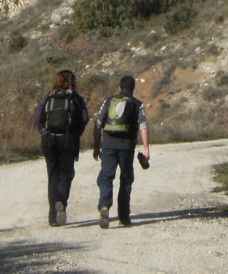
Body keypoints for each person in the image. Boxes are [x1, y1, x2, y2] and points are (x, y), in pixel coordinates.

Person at [33, 69, 89, 227]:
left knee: (53, 176)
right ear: (72, 82)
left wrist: (43, 132)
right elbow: (85, 118)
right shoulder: (75, 98)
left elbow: (37, 119)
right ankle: (61, 202)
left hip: (49, 139)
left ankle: (52, 217)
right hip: (67, 138)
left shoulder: (48, 96)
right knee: (66, 174)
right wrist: (75, 133)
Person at [92, 74, 150, 228]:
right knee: (125, 180)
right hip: (127, 147)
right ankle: (124, 217)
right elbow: (143, 126)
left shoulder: (109, 101)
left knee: (106, 176)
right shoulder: (138, 104)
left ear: (119, 87)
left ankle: (104, 206)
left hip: (109, 145)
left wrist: (96, 146)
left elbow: (98, 123)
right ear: (133, 88)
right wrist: (146, 149)